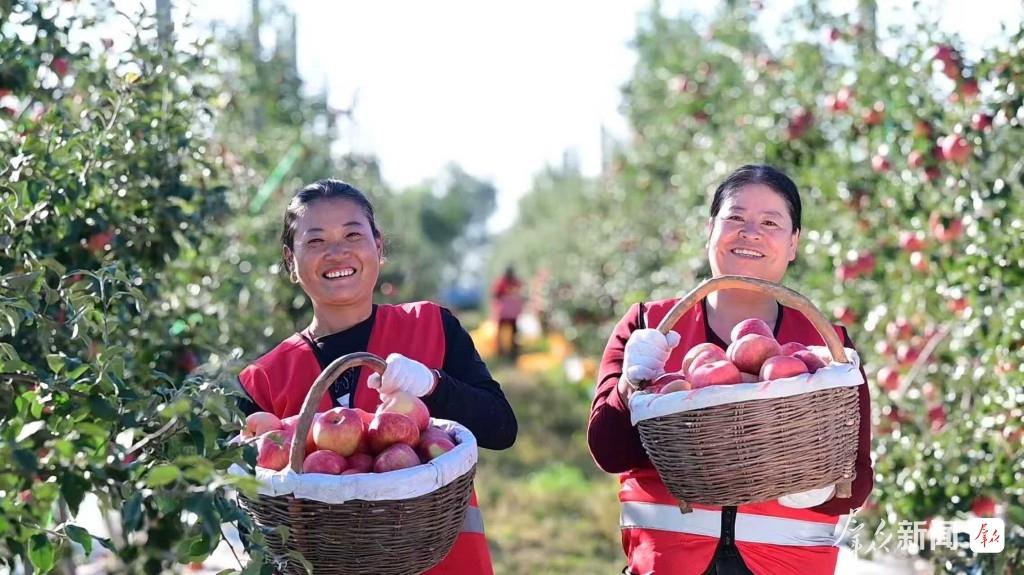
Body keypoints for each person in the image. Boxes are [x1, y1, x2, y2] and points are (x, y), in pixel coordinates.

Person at [587, 165, 873, 575]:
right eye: (735, 217)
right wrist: (630, 387)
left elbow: (857, 481)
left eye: (770, 222)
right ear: (710, 230)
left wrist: (820, 489)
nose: (750, 232)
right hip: (669, 564)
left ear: (793, 243)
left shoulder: (826, 346)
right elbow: (609, 451)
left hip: (784, 566)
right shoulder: (651, 327)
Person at [238, 179, 517, 575]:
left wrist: (432, 384)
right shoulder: (263, 380)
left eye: (353, 234)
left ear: (378, 246)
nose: (337, 252)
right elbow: (253, 518)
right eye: (316, 241)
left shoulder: (432, 327)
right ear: (290, 261)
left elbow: (501, 428)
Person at [490, 266, 524, 359]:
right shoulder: (504, 283)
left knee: (512, 332)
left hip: (509, 313)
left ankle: (511, 352)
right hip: (506, 313)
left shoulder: (511, 283)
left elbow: (495, 295)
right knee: (506, 332)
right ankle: (503, 352)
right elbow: (496, 295)